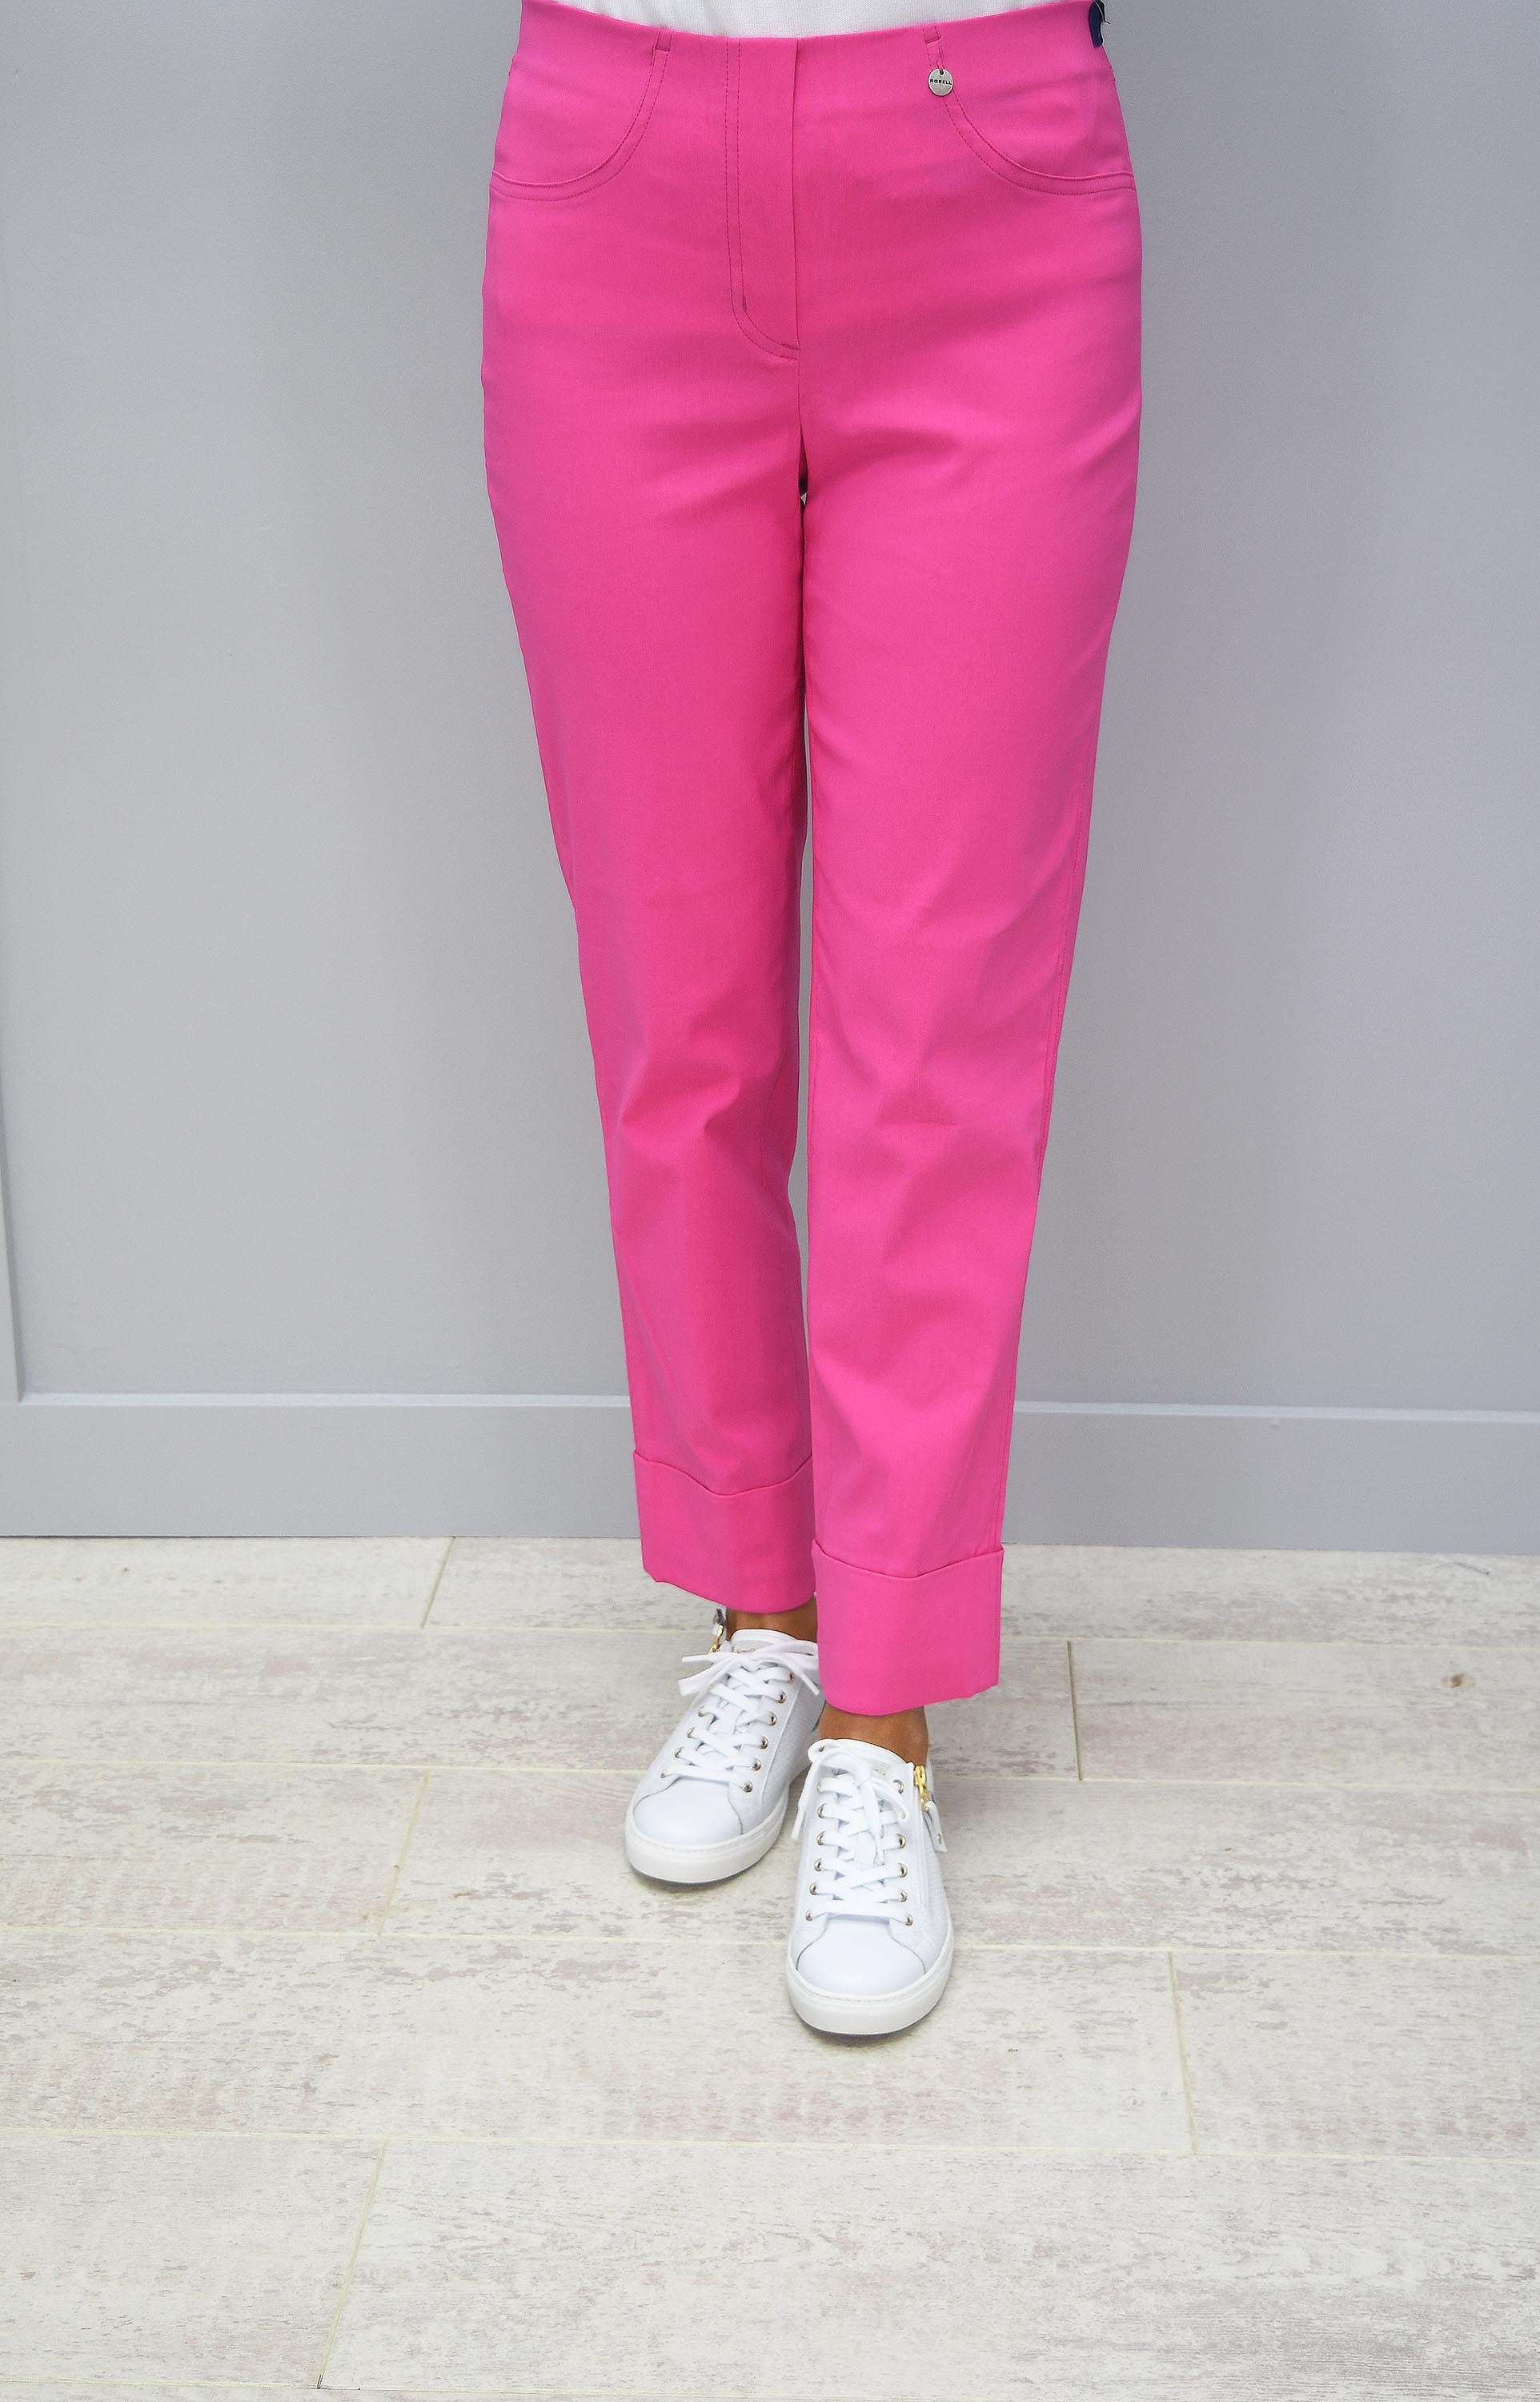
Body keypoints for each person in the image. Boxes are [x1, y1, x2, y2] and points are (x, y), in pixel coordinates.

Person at [482, 0, 1141, 2033]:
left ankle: (883, 1714)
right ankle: (760, 1610)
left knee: (935, 1033)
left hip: (986, 170)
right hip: (613, 155)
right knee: (672, 1010)